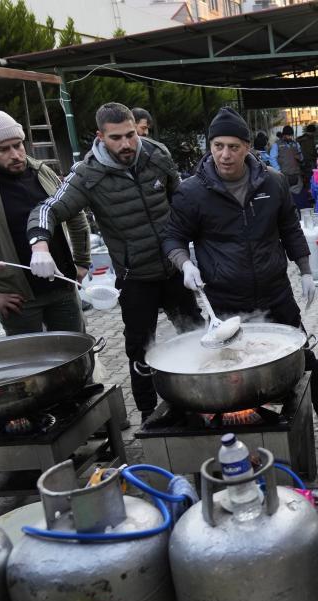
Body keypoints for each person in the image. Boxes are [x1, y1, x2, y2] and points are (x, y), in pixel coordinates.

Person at [162, 107, 318, 425]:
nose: (225, 154)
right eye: (218, 146)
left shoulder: (273, 183)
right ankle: (242, 421)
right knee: (232, 363)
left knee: (300, 352)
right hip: (225, 297)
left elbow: (290, 229)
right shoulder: (192, 192)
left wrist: (306, 270)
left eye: (233, 146)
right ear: (210, 147)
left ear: (247, 148)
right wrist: (184, 264)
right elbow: (172, 238)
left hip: (275, 291)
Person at [28, 102, 201, 420]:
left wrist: (193, 253)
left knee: (196, 332)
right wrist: (39, 245)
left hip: (175, 267)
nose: (126, 144)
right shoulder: (87, 173)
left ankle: (201, 397)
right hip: (136, 276)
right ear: (100, 136)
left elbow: (182, 201)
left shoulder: (156, 153)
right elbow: (49, 208)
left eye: (131, 135)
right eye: (116, 138)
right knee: (139, 347)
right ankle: (150, 413)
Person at [0, 110, 89, 334]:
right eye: (3, 149)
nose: (16, 155)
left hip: (63, 288)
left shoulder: (41, 171)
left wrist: (82, 262)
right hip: (18, 300)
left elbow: (75, 215)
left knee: (78, 358)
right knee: (35, 365)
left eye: (18, 145)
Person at [270, 126, 303, 195]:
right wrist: (278, 170)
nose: (290, 137)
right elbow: (272, 158)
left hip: (296, 174)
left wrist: (299, 158)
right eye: (288, 135)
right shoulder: (277, 145)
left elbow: (301, 157)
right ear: (284, 135)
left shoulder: (296, 144)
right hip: (284, 175)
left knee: (298, 194)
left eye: (291, 135)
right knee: (286, 195)